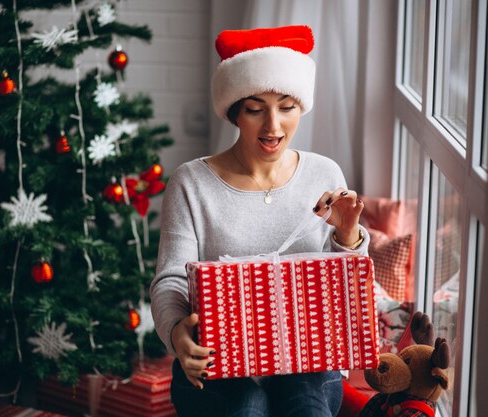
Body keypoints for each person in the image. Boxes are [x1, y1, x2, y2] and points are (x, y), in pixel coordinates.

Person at [150, 25, 370, 417]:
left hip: (307, 366)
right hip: (216, 363)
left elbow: (342, 294)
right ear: (235, 111)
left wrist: (347, 233)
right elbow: (170, 280)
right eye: (255, 109)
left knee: (303, 402)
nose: (273, 127)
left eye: (287, 107)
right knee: (248, 405)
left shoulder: (325, 173)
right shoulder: (191, 182)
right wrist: (176, 331)